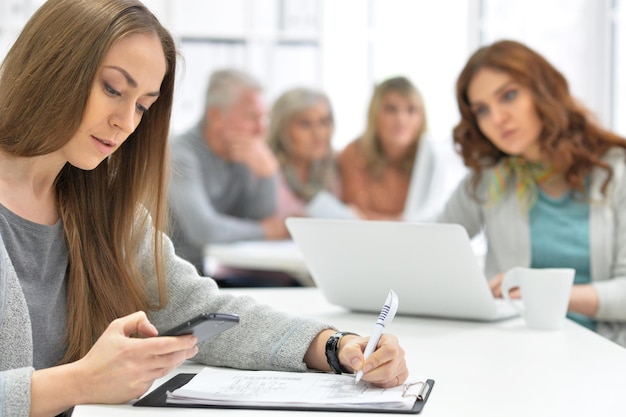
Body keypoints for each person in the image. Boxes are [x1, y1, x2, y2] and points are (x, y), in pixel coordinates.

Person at [0, 1, 408, 416]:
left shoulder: (99, 204)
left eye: (142, 105)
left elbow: (204, 312)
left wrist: (338, 347)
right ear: (53, 66)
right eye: (112, 89)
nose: (126, 120)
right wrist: (79, 382)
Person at [438, 39, 626, 345]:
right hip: (515, 352)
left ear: (543, 91)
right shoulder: (490, 179)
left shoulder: (616, 171)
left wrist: (543, 292)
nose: (497, 119)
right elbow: (431, 250)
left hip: (605, 353)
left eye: (508, 96)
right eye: (482, 110)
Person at [168, 68, 289, 274]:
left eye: (264, 118)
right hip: (174, 277)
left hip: (212, 273)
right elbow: (204, 231)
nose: (262, 130)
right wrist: (268, 231)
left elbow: (257, 218)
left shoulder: (239, 153)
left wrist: (268, 174)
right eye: (252, 118)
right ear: (215, 116)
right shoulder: (179, 154)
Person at [337, 76, 431, 220]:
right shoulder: (354, 153)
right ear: (374, 114)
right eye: (391, 110)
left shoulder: (431, 158)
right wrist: (402, 222)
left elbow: (433, 216)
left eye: (411, 110)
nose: (401, 119)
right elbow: (352, 216)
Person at [267, 87, 357, 219]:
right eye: (305, 124)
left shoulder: (336, 165)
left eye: (324, 122)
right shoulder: (267, 169)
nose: (318, 134)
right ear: (282, 128)